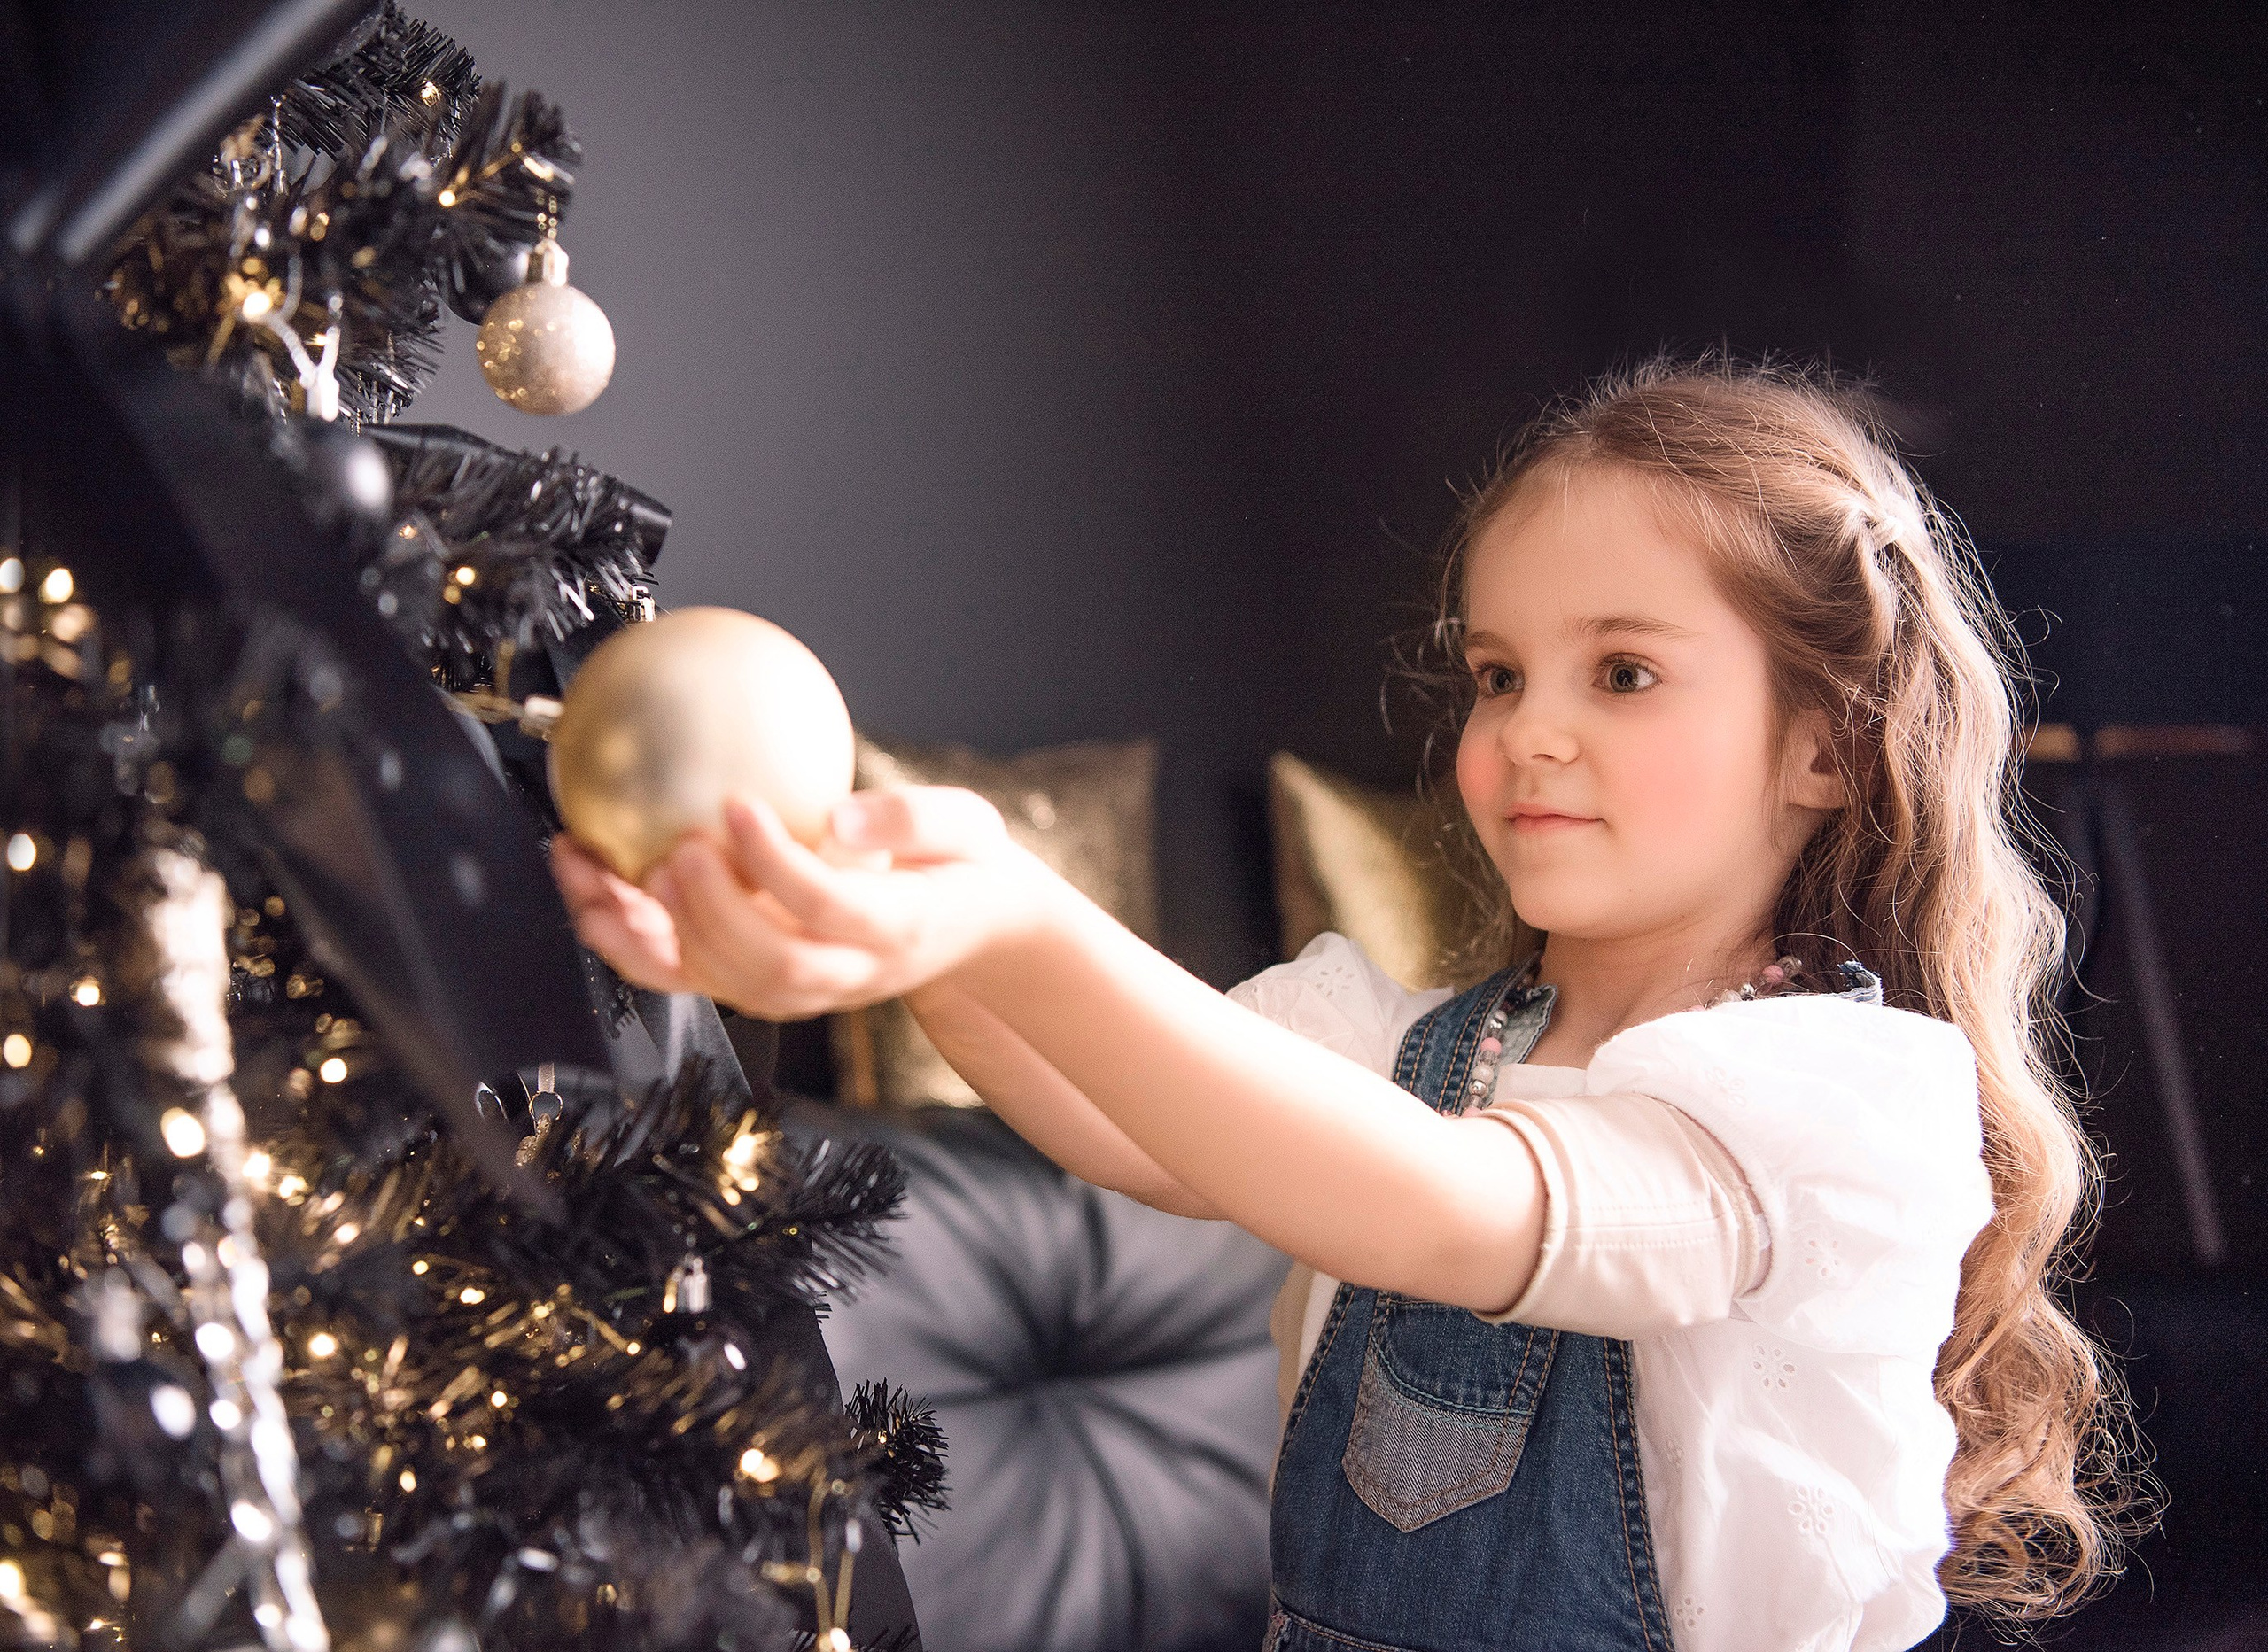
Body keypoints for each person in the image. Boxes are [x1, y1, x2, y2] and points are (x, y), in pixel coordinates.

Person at [552, 360, 2128, 1651]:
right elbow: (1132, 1119)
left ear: (1829, 748)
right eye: (1500, 675)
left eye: (1624, 673)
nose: (1533, 734)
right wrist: (914, 935)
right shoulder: (1406, 1044)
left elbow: (1457, 1210)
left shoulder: (1840, 1099)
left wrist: (1012, 909)